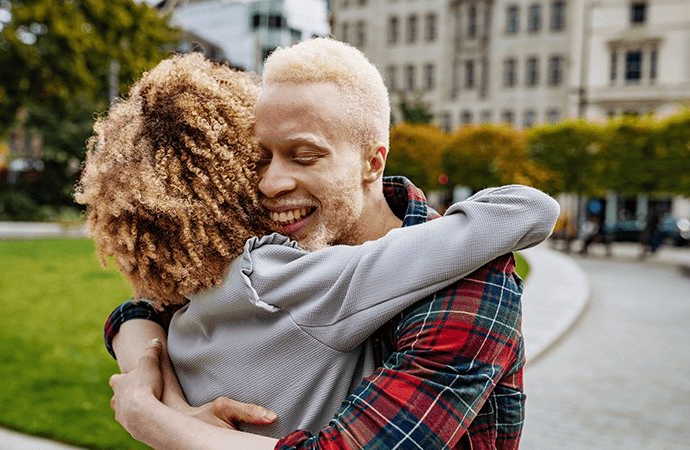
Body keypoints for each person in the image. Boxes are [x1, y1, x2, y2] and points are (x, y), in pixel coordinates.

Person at [103, 39, 558, 449]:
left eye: (305, 156)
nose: (271, 183)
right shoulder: (269, 252)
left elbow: (529, 209)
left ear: (372, 160)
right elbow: (145, 306)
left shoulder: (468, 277)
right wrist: (173, 403)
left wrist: (153, 418)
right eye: (261, 159)